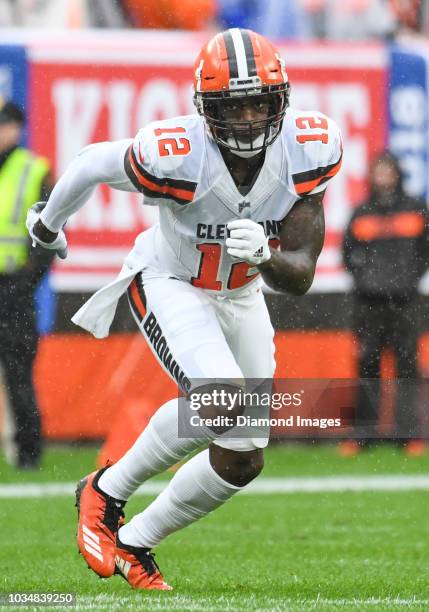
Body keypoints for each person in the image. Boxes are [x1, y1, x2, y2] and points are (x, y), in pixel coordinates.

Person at [26, 29, 342, 590]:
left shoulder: (308, 147)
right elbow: (94, 161)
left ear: (281, 101)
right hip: (172, 280)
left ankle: (134, 542)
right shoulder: (177, 152)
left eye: (259, 103)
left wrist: (266, 254)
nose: (247, 119)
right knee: (220, 400)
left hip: (242, 294)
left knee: (242, 456)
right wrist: (49, 223)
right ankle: (104, 491)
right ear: (206, 109)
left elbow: (300, 275)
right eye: (233, 105)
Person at [341, 151, 429, 456]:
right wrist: (369, 282)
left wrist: (406, 281)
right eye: (378, 171)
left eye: (387, 170)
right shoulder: (361, 211)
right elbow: (347, 256)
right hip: (368, 304)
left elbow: (425, 252)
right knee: (367, 367)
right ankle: (363, 435)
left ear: (397, 174)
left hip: (405, 302)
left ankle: (409, 435)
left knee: (407, 367)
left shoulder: (416, 209)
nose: (383, 176)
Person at [0, 100, 54, 469]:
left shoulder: (35, 170)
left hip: (13, 291)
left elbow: (49, 237)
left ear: (17, 127)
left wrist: (24, 283)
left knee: (19, 375)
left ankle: (29, 453)